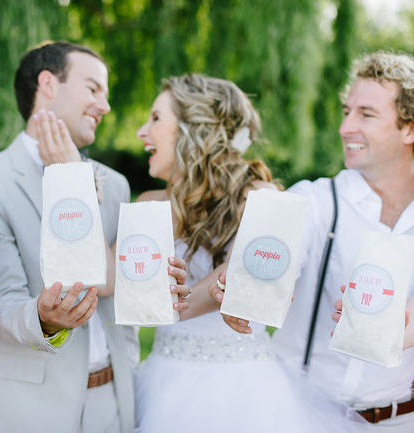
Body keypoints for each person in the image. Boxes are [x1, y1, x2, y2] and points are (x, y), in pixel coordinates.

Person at [0, 41, 188, 433]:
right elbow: (0, 304)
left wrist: (158, 283)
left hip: (111, 404)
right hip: (25, 411)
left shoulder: (113, 185)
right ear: (48, 83)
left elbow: (120, 292)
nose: (106, 106)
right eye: (94, 89)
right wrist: (45, 320)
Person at [216, 51, 414, 432]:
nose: (345, 127)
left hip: (407, 420)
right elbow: (274, 260)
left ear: (411, 128)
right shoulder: (313, 200)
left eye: (366, 114)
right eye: (347, 111)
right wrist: (248, 288)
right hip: (300, 417)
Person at [132, 73, 351, 433]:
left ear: (194, 127)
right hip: (163, 381)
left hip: (243, 391)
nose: (142, 131)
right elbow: (112, 281)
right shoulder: (148, 204)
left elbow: (242, 281)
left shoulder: (262, 198)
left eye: (156, 118)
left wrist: (153, 296)